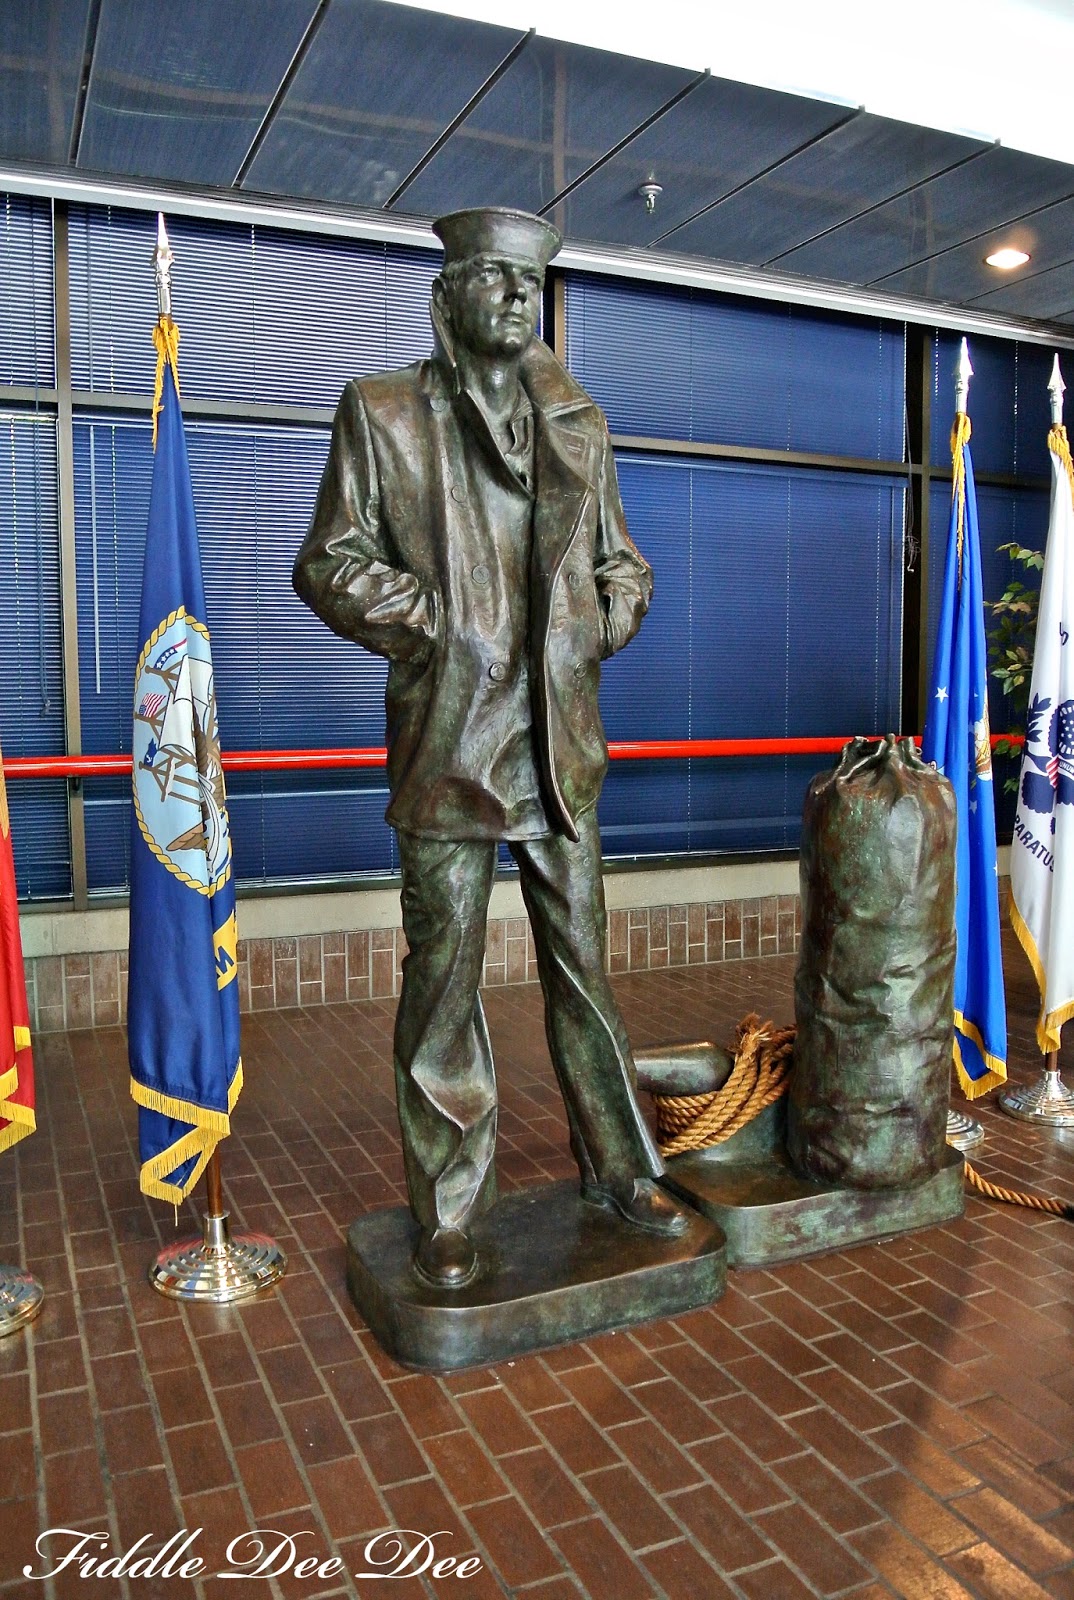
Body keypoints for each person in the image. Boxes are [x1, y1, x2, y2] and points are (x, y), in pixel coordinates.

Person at [294, 206, 689, 1290]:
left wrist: (608, 613)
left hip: (560, 746)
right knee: (444, 985)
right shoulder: (383, 411)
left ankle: (621, 1170)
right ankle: (450, 1210)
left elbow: (623, 562)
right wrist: (434, 622)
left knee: (585, 973)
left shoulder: (579, 422)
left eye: (529, 279)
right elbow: (329, 560)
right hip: (452, 739)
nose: (516, 294)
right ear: (449, 291)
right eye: (492, 274)